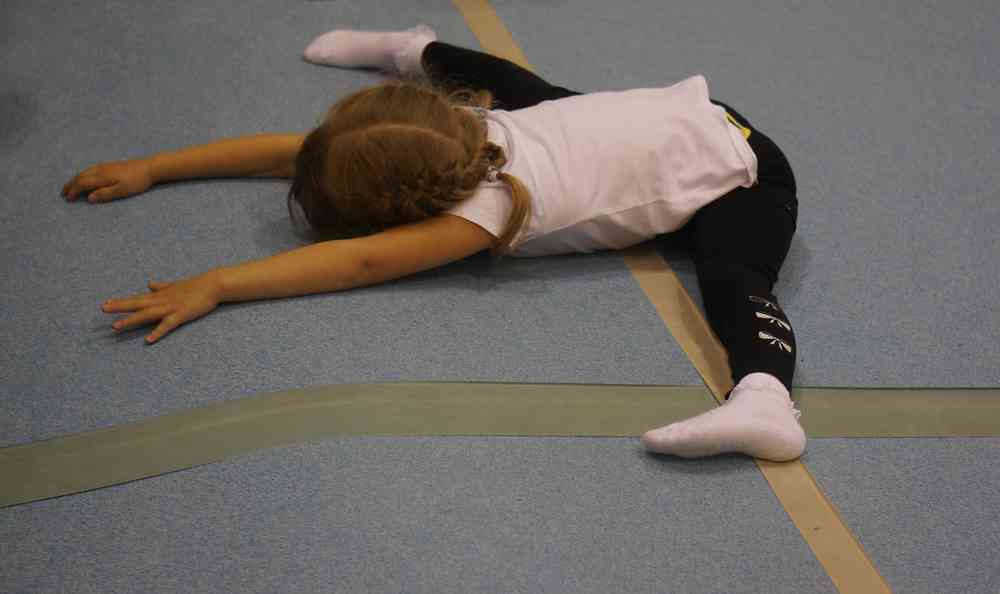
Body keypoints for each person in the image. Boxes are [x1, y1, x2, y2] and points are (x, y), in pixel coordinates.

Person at [61, 26, 806, 462]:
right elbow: (293, 150)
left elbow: (356, 262)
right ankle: (413, 49)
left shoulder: (482, 213)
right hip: (679, 116)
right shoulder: (458, 132)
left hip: (739, 170)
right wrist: (154, 167)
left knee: (734, 272)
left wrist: (218, 284)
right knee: (528, 92)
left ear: (399, 210)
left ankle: (766, 402)